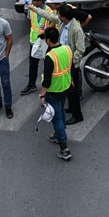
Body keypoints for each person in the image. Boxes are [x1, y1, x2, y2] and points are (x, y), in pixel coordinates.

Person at [47, 0, 86, 123]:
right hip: (65, 61)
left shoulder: (76, 29)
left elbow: (80, 50)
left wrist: (70, 63)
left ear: (64, 17)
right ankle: (71, 108)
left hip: (70, 64)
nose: (58, 17)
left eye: (59, 15)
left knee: (73, 90)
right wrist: (34, 9)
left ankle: (77, 115)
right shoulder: (64, 23)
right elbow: (50, 17)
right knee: (69, 89)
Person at [39, 26, 73, 161]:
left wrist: (42, 95)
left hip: (53, 91)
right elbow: (71, 67)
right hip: (65, 86)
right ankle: (59, 134)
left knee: (56, 118)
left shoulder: (50, 57)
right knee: (61, 112)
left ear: (48, 40)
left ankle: (64, 148)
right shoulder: (67, 49)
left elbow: (46, 80)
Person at [19, 0, 57, 95]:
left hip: (46, 43)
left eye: (34, 0)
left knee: (48, 65)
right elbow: (31, 21)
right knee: (33, 64)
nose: (32, 1)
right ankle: (31, 84)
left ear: (40, 1)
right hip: (34, 42)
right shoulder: (32, 9)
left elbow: (54, 23)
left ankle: (48, 85)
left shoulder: (50, 11)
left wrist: (45, 31)